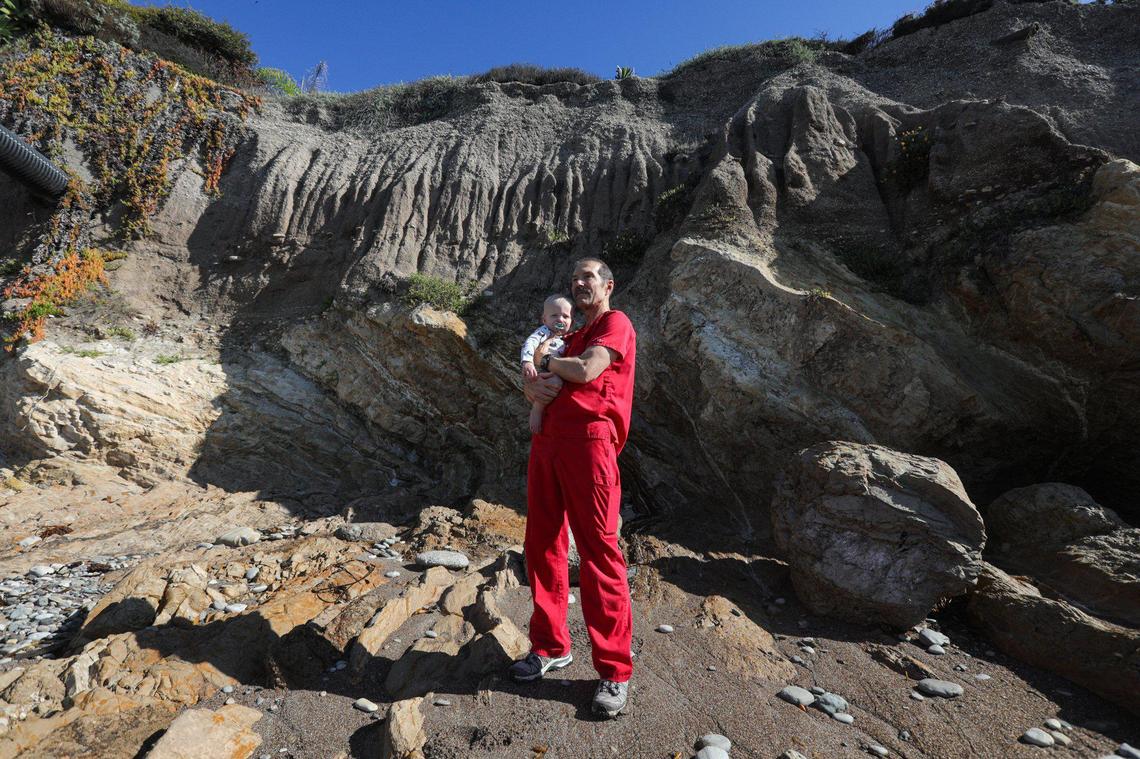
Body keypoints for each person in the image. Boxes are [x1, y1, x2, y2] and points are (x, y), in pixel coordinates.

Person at [509, 257, 637, 719]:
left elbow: (585, 372)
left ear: (607, 284)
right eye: (575, 279)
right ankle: (549, 646)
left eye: (589, 277)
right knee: (542, 545)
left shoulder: (615, 325)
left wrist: (547, 364)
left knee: (599, 552)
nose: (580, 284)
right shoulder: (570, 336)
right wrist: (533, 391)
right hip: (547, 445)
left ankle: (614, 671)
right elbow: (545, 380)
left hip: (590, 447)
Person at [520, 294, 573, 435]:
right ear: (544, 319)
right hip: (542, 369)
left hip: (555, 369)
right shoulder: (545, 331)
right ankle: (537, 410)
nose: (560, 319)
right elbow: (530, 343)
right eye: (554, 315)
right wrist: (527, 361)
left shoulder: (567, 338)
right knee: (554, 382)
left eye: (565, 317)